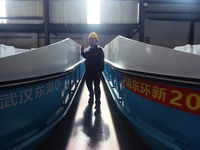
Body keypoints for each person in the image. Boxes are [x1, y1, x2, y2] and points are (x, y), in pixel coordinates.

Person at [80, 32, 104, 115]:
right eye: (89, 39)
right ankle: (91, 95)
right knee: (89, 85)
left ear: (96, 40)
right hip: (88, 72)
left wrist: (100, 71)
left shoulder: (99, 50)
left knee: (97, 88)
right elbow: (85, 56)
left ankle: (98, 104)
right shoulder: (88, 49)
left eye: (92, 39)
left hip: (96, 72)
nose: (91, 41)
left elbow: (101, 61)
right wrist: (82, 51)